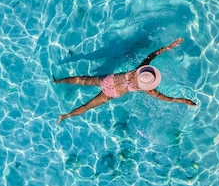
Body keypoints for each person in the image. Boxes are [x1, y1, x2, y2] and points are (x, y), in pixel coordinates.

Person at [54, 38, 196, 124]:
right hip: (113, 93)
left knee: (84, 80)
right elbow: (166, 99)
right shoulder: (147, 89)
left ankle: (58, 81)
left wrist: (169, 46)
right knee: (87, 106)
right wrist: (183, 100)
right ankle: (65, 116)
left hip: (109, 80)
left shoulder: (140, 69)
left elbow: (153, 54)